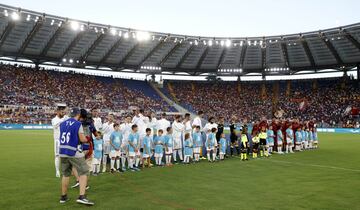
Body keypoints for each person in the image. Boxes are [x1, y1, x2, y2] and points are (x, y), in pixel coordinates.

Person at [58, 108, 94, 205]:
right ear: (78, 114)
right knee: (84, 172)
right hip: (73, 151)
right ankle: (82, 196)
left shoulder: (63, 123)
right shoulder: (78, 124)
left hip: (62, 151)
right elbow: (82, 139)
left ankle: (63, 197)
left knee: (66, 174)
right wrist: (88, 139)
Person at [51, 104, 68, 178]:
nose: (63, 113)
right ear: (57, 112)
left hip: (66, 140)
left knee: (67, 156)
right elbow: (55, 125)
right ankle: (57, 171)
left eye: (63, 112)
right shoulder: (54, 119)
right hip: (58, 140)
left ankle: (67, 170)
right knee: (57, 155)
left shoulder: (65, 118)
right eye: (61, 111)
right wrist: (63, 119)